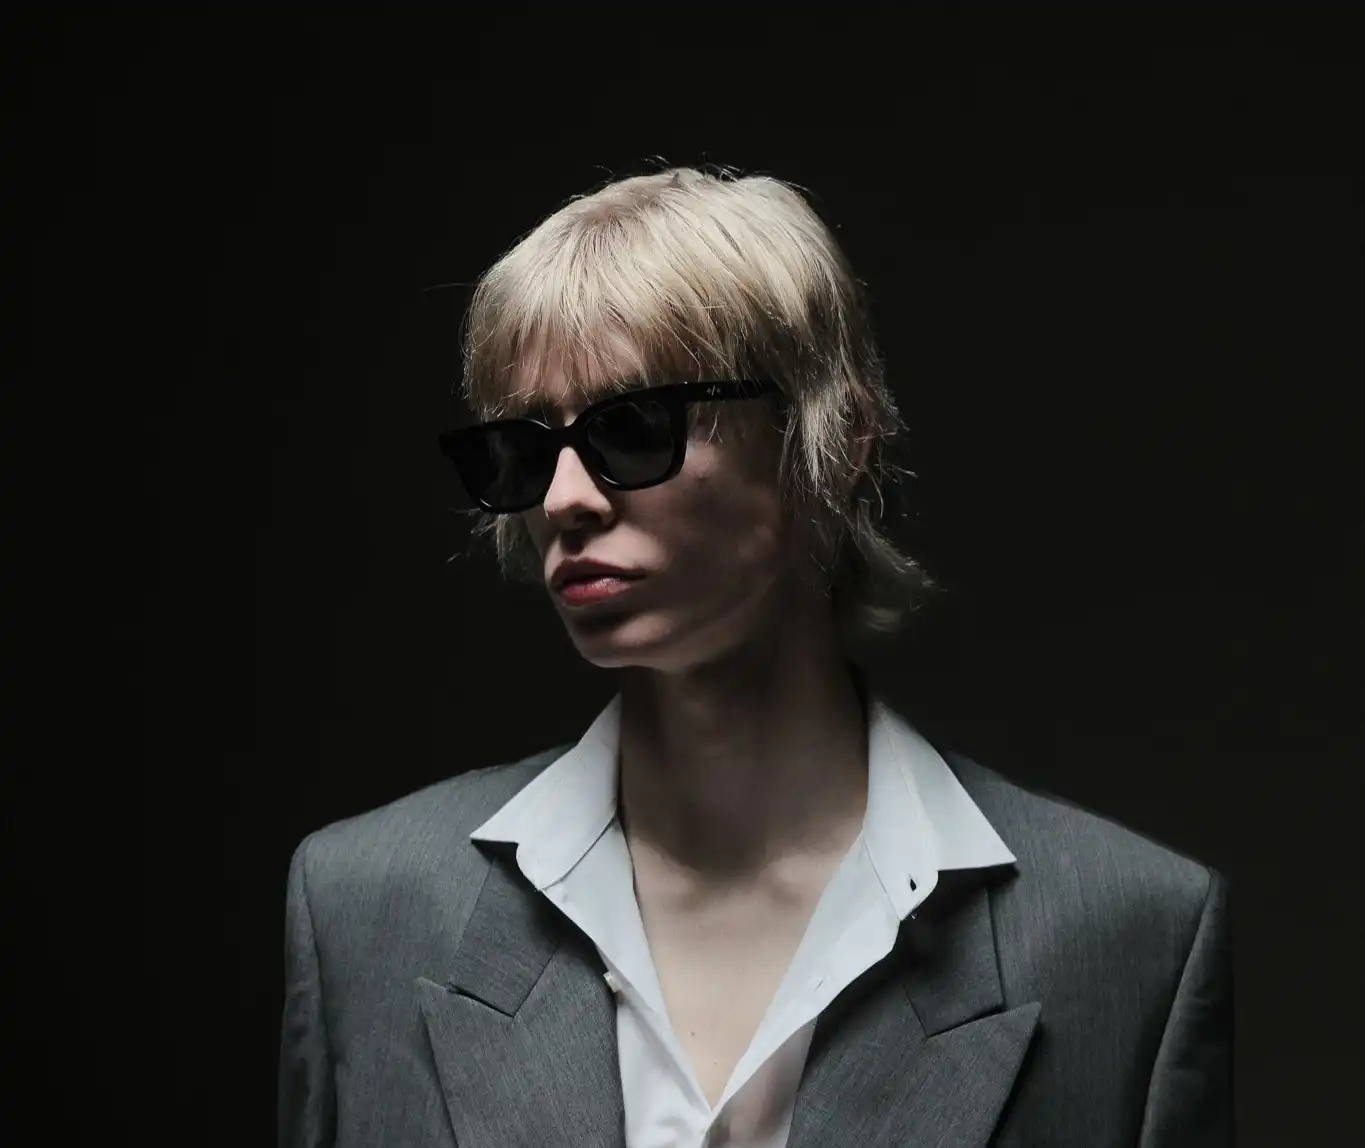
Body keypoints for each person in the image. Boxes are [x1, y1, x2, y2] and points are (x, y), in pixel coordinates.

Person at [278, 167, 1233, 1148]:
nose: (563, 497)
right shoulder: (367, 905)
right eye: (524, 450)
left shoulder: (1129, 933)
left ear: (837, 442)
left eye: (632, 426)